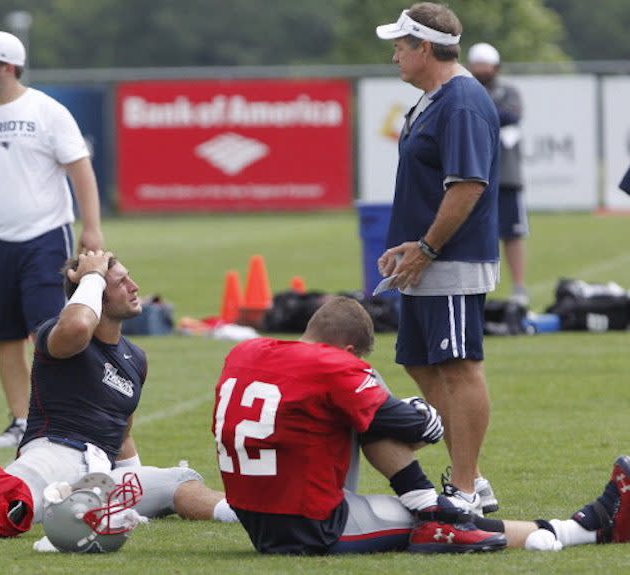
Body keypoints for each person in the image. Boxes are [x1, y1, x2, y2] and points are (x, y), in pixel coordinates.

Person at [212, 296, 630, 555]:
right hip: (310, 526)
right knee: (443, 523)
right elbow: (418, 428)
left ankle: (429, 503)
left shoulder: (247, 350)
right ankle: (581, 530)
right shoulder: (334, 364)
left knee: (363, 417)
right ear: (349, 349)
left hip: (256, 512)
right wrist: (425, 414)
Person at [0, 31, 104, 448]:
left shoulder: (47, 111)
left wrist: (92, 226)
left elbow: (80, 169)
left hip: (43, 236)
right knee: (3, 334)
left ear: (7, 66)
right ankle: (20, 420)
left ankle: (62, 417)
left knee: (50, 333)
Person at [4, 250, 237, 551]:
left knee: (180, 479)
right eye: (121, 282)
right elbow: (78, 327)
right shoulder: (60, 332)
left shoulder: (136, 358)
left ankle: (247, 515)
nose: (135, 286)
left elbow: (122, 430)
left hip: (103, 475)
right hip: (55, 453)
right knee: (4, 504)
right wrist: (92, 275)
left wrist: (133, 477)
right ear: (98, 293)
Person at [375, 3, 500, 514]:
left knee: (458, 367)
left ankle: (467, 488)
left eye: (401, 47)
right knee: (421, 364)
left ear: (425, 48)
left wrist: (427, 247)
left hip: (450, 260)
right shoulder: (436, 98)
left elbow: (468, 185)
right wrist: (412, 244)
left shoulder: (462, 101)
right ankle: (474, 480)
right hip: (426, 260)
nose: (395, 56)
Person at [468, 42, 529, 306]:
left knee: (513, 233)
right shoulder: (465, 91)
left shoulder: (508, 91)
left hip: (506, 175)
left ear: (496, 67)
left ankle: (519, 286)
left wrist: (482, 111)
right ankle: (475, 287)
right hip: (474, 176)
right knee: (473, 233)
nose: (482, 71)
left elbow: (511, 115)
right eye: (477, 66)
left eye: (486, 65)